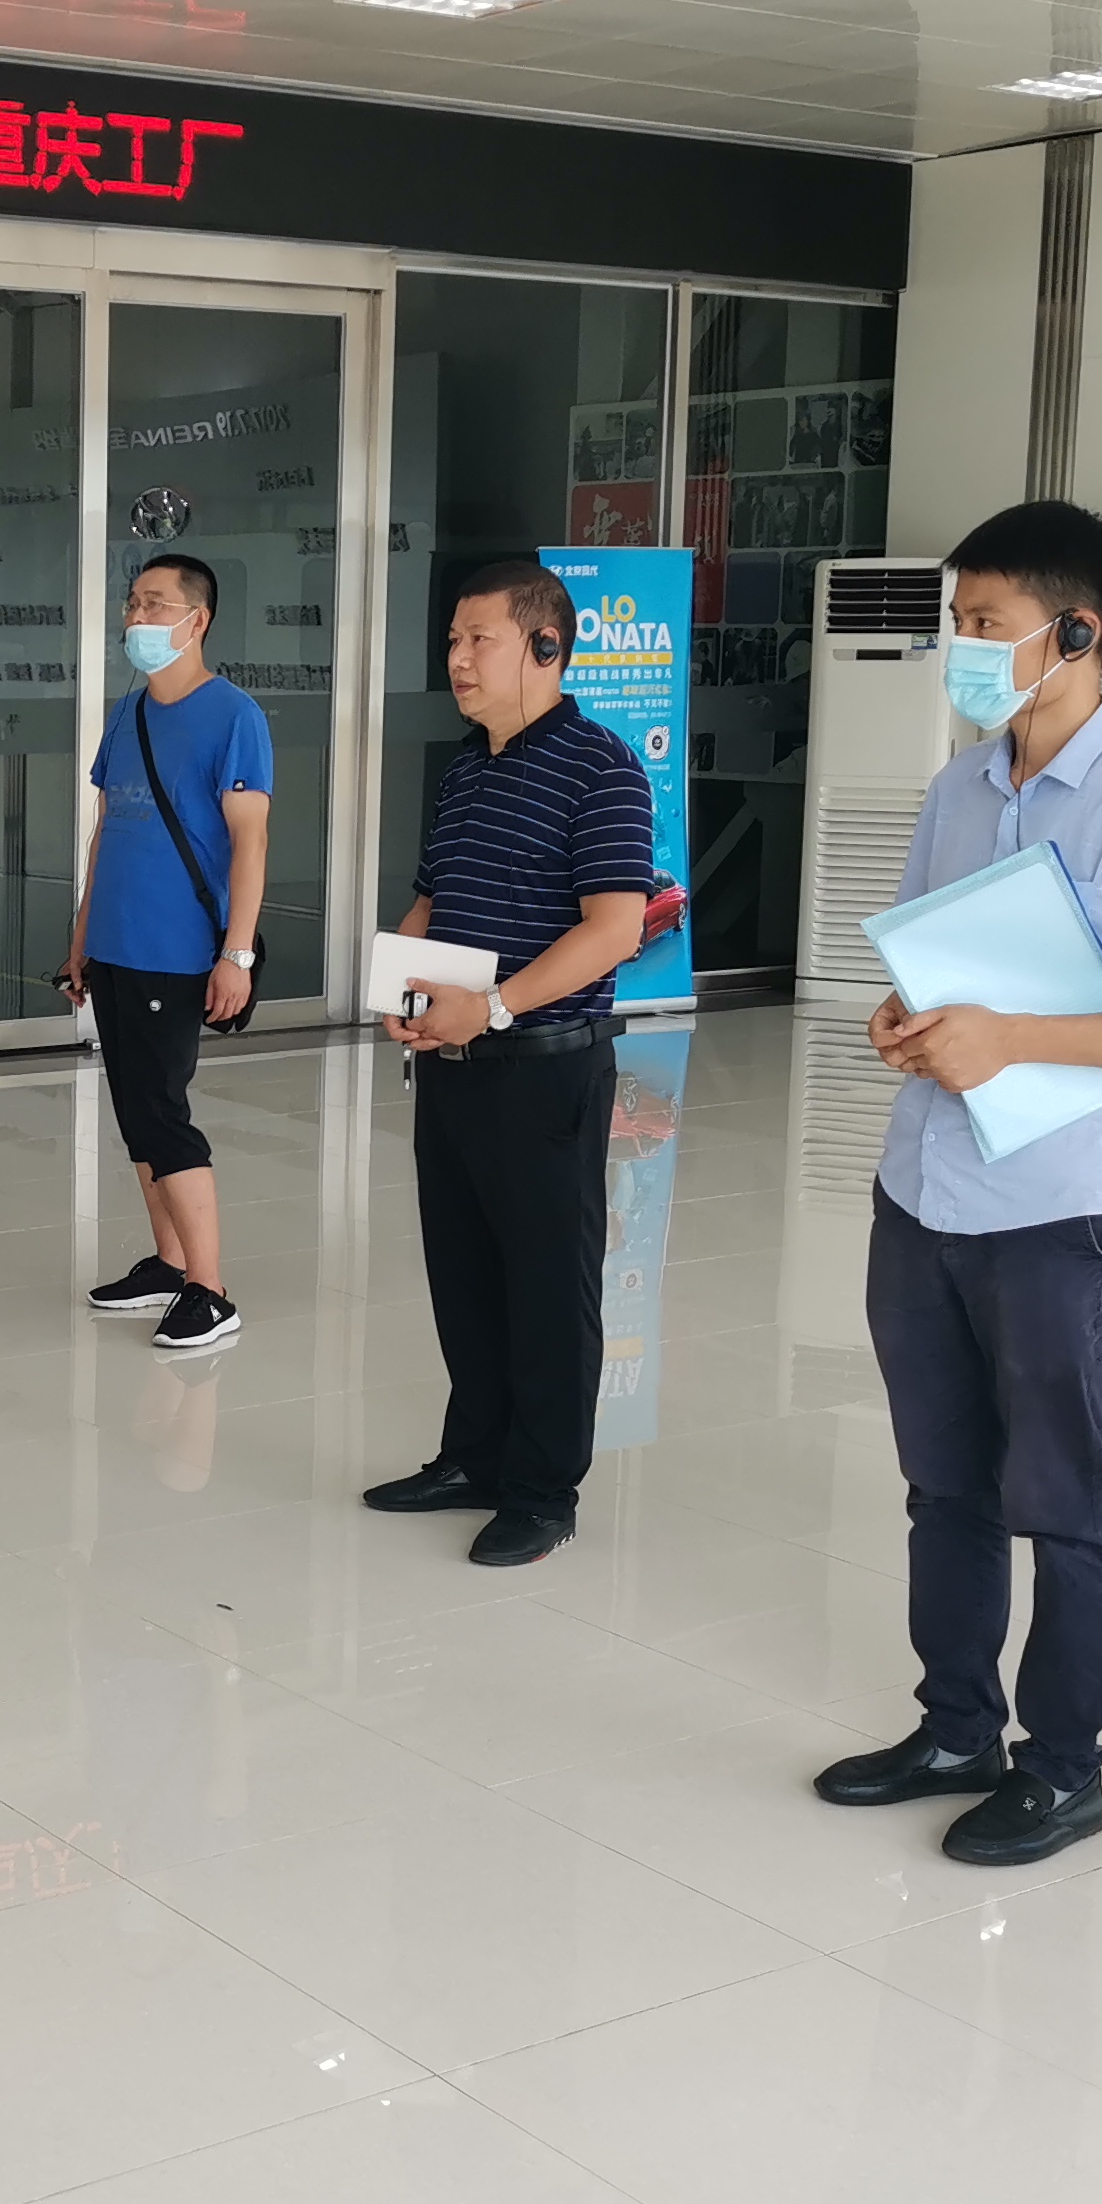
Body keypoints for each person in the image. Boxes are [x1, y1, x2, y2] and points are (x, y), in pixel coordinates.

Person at [812, 499, 1102, 1864]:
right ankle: (955, 1727)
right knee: (941, 1484)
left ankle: (1062, 1769)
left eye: (985, 624)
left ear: (1075, 632)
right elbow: (933, 968)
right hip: (926, 1191)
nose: (961, 647)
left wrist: (1015, 1040)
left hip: (1062, 1211)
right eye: (957, 622)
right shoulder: (958, 788)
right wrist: (907, 1023)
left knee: (1058, 1497)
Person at [357, 559, 656, 1565]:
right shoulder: (466, 770)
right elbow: (431, 901)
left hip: (543, 1067)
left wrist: (489, 1007)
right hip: (453, 1063)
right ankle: (473, 1457)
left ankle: (541, 1489)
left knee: (545, 1283)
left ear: (545, 647)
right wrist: (401, 993)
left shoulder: (601, 767)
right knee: (464, 1271)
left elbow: (614, 928)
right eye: (452, 640)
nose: (457, 658)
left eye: (478, 639)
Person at [61, 552, 271, 1353]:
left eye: (155, 604)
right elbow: (105, 832)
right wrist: (81, 938)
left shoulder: (234, 716)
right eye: (132, 604)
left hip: (176, 948)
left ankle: (209, 1290)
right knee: (135, 1110)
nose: (137, 618)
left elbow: (250, 843)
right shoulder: (128, 713)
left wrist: (237, 955)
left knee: (162, 1112)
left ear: (197, 620)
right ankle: (169, 1261)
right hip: (115, 943)